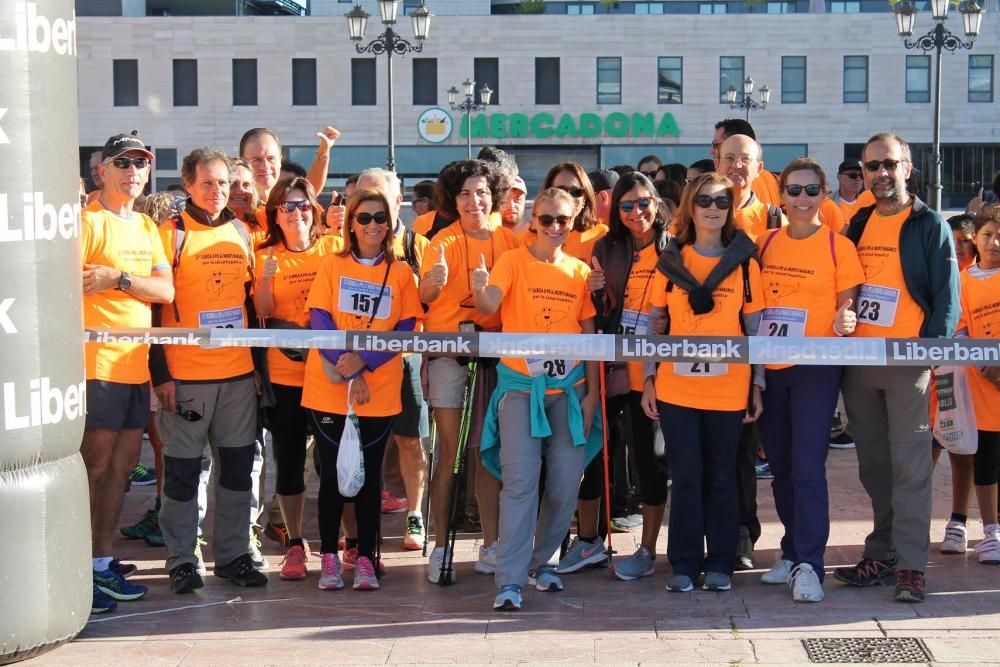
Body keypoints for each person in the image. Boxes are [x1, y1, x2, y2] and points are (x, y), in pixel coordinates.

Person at [835, 132, 960, 603]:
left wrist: (934, 351)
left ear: (907, 167)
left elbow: (948, 296)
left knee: (911, 467)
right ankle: (882, 552)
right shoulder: (858, 221)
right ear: (862, 173)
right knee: (874, 467)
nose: (880, 174)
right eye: (871, 166)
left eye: (889, 164)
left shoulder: (930, 224)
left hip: (909, 362)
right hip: (859, 362)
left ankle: (911, 565)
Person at [472, 187, 601, 611]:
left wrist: (592, 397)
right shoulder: (512, 261)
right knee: (520, 485)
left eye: (562, 220)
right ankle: (509, 580)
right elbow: (491, 304)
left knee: (566, 484)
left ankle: (541, 563)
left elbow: (590, 338)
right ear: (533, 221)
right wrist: (480, 288)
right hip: (520, 391)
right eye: (546, 219)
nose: (554, 227)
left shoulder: (580, 272)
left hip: (568, 392)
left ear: (572, 221)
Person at [641, 172, 765, 593]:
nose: (714, 207)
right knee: (687, 476)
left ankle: (721, 562)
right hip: (677, 389)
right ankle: (685, 562)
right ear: (690, 207)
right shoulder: (670, 261)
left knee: (723, 476)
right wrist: (649, 380)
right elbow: (654, 328)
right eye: (705, 200)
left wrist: (757, 387)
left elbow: (756, 332)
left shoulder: (746, 263)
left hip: (729, 389)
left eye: (723, 201)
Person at [152, 147, 267, 594]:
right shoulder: (171, 233)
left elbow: (249, 305)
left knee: (238, 468)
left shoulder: (242, 230)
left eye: (223, 182)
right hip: (186, 378)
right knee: (182, 472)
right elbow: (152, 310)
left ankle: (234, 554)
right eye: (207, 183)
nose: (217, 191)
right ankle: (182, 557)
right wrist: (160, 373)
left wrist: (256, 367)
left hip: (238, 375)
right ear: (188, 185)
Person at [754, 158, 866, 603]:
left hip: (816, 369)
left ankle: (809, 564)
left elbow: (848, 308)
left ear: (824, 195)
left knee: (806, 468)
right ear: (780, 196)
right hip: (771, 368)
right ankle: (790, 550)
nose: (802, 199)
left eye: (811, 191)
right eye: (794, 191)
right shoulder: (762, 244)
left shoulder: (839, 247)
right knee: (779, 466)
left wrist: (845, 321)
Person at [302, 188, 423, 591]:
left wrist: (366, 362)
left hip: (380, 390)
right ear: (351, 223)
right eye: (364, 217)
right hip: (329, 387)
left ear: (390, 224)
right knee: (334, 477)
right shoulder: (332, 265)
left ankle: (369, 558)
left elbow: (407, 328)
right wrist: (348, 367)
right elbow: (318, 319)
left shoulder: (401, 271)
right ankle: (332, 560)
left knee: (371, 481)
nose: (373, 225)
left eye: (380, 218)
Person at [82, 132, 174, 614]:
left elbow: (165, 290)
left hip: (134, 365)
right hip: (95, 366)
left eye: (141, 163)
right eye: (123, 162)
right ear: (102, 170)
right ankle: (78, 570)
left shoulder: (144, 225)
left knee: (119, 473)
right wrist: (134, 286)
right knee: (92, 471)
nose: (133, 171)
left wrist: (117, 280)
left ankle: (100, 562)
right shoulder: (86, 221)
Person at [563, 171, 671, 578]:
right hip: (606, 367)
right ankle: (589, 540)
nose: (636, 212)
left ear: (657, 203)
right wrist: (589, 286)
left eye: (644, 202)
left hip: (652, 372)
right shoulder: (601, 248)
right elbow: (584, 307)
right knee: (593, 455)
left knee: (650, 459)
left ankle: (647, 549)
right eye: (626, 205)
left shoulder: (673, 249)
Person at [420, 159, 518, 582]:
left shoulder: (511, 242)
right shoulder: (439, 241)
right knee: (449, 455)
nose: (474, 201)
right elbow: (424, 295)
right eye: (464, 194)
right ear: (452, 200)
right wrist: (435, 284)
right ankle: (440, 546)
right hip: (448, 355)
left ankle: (492, 545)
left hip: (496, 357)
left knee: (487, 456)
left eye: (481, 192)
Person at [253, 176, 339, 580]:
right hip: (286, 372)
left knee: (331, 461)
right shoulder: (265, 253)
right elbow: (263, 311)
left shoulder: (333, 248)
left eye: (303, 205)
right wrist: (267, 277)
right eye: (287, 206)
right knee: (288, 459)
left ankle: (335, 540)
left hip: (329, 371)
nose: (297, 213)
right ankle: (293, 543)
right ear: (275, 213)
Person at [356, 167, 432, 551]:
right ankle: (357, 524)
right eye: (366, 201)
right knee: (359, 442)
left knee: (410, 439)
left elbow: (428, 304)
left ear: (398, 202)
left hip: (405, 358)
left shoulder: (418, 244)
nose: (374, 212)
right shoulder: (346, 248)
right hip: (358, 361)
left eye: (383, 201)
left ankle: (415, 515)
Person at [955, 205, 1000, 565]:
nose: (995, 242)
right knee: (986, 460)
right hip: (981, 387)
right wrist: (985, 364)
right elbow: (959, 329)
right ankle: (991, 532)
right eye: (987, 235)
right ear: (975, 238)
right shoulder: (963, 280)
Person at [542, 163, 607, 262]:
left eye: (576, 192)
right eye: (561, 191)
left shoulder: (601, 235)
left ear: (585, 197)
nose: (568, 197)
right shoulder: (530, 237)